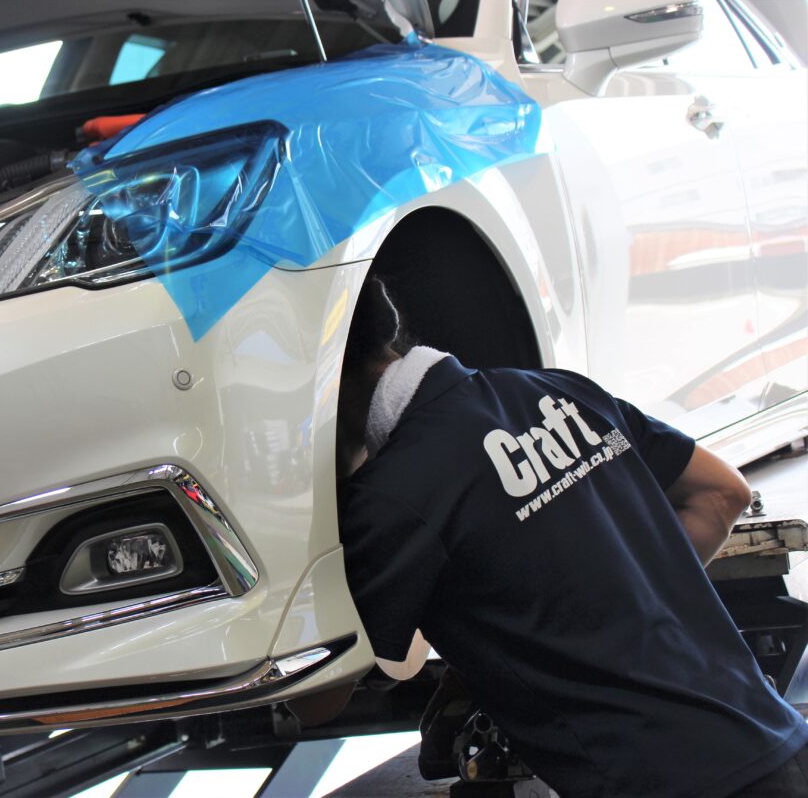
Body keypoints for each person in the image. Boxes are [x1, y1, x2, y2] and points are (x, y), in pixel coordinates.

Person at [335, 277, 808, 797]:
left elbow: (323, 696)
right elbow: (722, 494)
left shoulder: (393, 493)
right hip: (780, 741)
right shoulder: (560, 391)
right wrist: (626, 604)